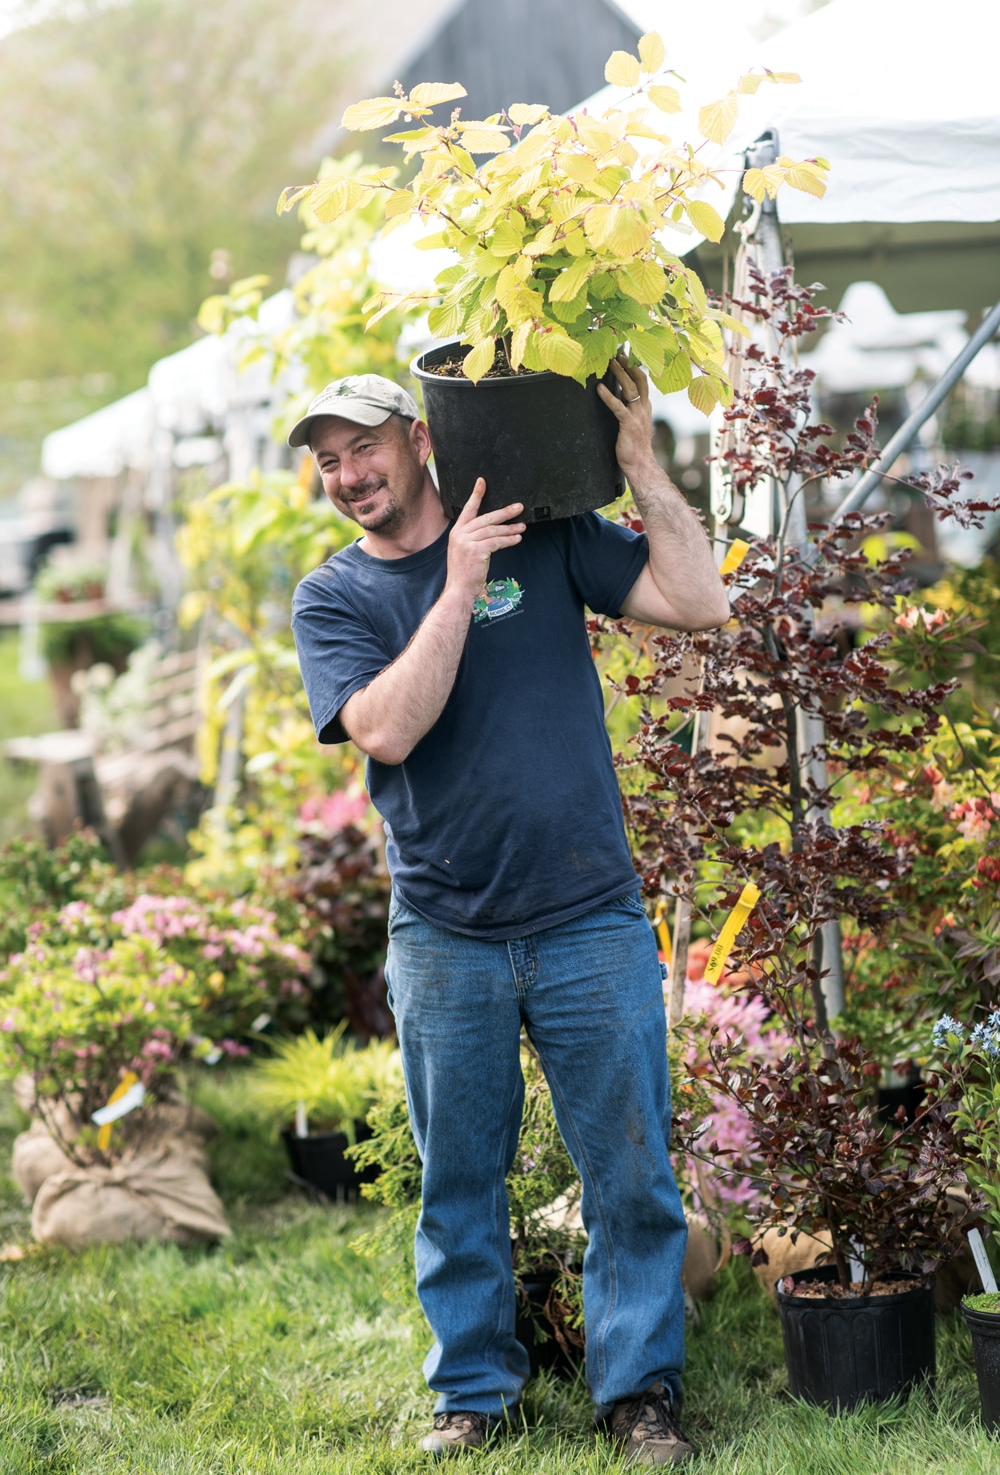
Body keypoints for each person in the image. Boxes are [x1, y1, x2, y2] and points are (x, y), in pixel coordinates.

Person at [289, 362, 730, 1465]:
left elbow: (700, 602)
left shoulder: (542, 534)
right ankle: (474, 1392)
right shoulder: (333, 597)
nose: (349, 474)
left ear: (419, 437)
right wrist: (453, 584)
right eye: (327, 459)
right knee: (460, 1181)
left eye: (364, 447)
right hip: (444, 932)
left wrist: (639, 470)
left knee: (629, 1175)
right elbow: (387, 729)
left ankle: (640, 1395)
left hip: (589, 916)